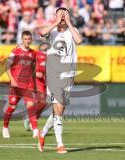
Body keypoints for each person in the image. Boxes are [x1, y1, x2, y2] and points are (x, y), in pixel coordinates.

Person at [37, 7, 82, 154]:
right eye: (60, 14)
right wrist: (56, 21)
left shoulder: (72, 29)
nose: (63, 16)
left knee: (59, 110)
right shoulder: (52, 31)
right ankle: (60, 145)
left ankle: (42, 133)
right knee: (58, 109)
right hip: (54, 74)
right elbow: (42, 33)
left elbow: (79, 41)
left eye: (65, 14)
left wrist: (68, 22)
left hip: (68, 75)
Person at [2, 31, 39, 139]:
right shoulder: (15, 51)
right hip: (16, 84)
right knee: (12, 107)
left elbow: (34, 69)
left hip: (28, 85)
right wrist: (12, 80)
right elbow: (6, 66)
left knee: (30, 106)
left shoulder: (33, 53)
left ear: (31, 39)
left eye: (29, 39)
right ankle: (5, 127)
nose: (28, 41)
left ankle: (35, 129)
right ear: (22, 39)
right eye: (26, 39)